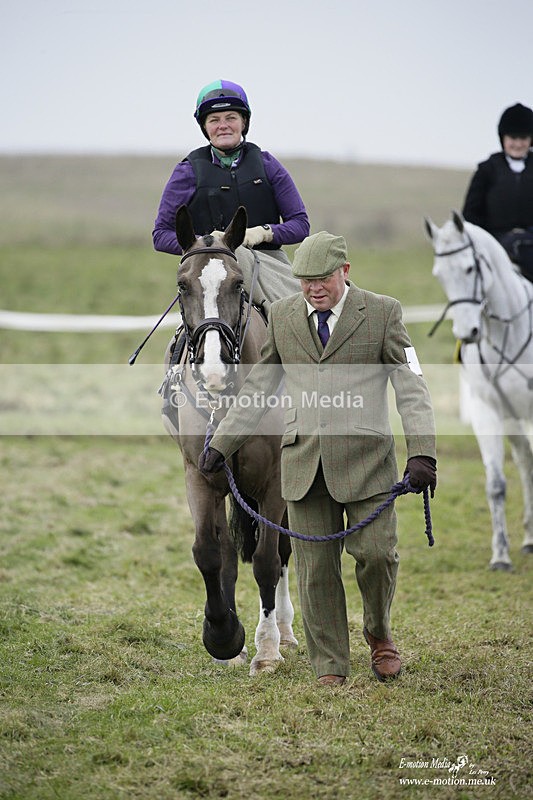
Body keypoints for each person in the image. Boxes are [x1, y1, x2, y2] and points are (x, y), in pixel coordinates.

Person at [198, 231, 437, 686]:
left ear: (345, 272)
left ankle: (380, 635)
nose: (313, 289)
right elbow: (259, 387)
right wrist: (221, 444)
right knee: (315, 569)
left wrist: (422, 452)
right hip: (304, 464)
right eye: (305, 281)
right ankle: (330, 666)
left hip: (368, 463)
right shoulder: (284, 315)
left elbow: (412, 385)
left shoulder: (384, 313)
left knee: (377, 557)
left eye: (323, 279)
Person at [152, 79, 310, 311]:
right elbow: (160, 235)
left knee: (305, 317)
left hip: (268, 265)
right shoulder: (187, 171)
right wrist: (205, 245)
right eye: (214, 120)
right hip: (208, 271)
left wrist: (263, 233)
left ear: (243, 122)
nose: (223, 125)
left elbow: (301, 224)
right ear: (205, 127)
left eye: (231, 118)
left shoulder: (268, 165)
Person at [462, 102, 533, 282]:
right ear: (503, 138)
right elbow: (471, 213)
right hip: (495, 243)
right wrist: (489, 239)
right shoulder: (487, 170)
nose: (517, 143)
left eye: (523, 137)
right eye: (512, 137)